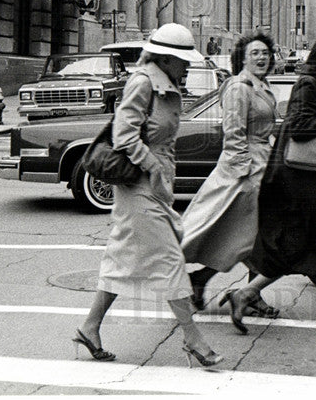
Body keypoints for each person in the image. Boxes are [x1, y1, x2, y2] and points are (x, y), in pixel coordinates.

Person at [74, 24, 223, 369]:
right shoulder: (143, 83)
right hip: (139, 185)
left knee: (124, 257)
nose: (188, 66)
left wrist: (162, 175)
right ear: (167, 59)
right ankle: (193, 339)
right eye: (183, 61)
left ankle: (89, 327)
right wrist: (154, 168)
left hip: (156, 185)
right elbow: (123, 135)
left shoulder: (167, 85)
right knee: (170, 259)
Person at [224, 31, 316, 350]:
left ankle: (245, 294)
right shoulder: (309, 84)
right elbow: (301, 128)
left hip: (314, 176)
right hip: (304, 180)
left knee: (298, 246)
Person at [182, 31, 279, 315]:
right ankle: (235, 289)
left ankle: (211, 283)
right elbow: (233, 132)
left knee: (250, 236)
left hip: (263, 164)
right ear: (243, 59)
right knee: (243, 235)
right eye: (255, 53)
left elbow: (263, 128)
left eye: (265, 53)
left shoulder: (261, 84)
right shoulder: (238, 86)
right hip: (246, 169)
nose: (262, 57)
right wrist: (244, 175)